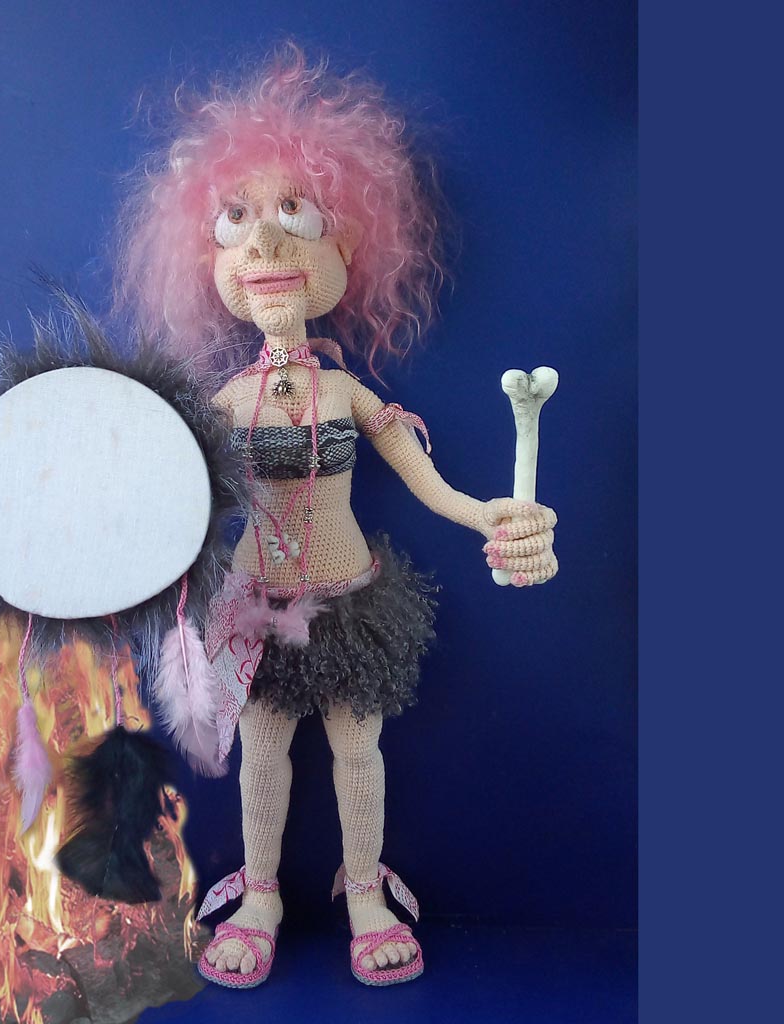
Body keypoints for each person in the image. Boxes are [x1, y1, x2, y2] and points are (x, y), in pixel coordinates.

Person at [119, 44, 558, 988]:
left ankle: (364, 891)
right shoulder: (223, 406)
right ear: (212, 258)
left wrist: (489, 515)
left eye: (295, 217)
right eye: (237, 222)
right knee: (263, 753)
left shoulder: (349, 395)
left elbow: (430, 482)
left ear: (345, 248)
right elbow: (164, 498)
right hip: (258, 604)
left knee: (360, 748)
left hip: (352, 599)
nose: (267, 249)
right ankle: (262, 895)